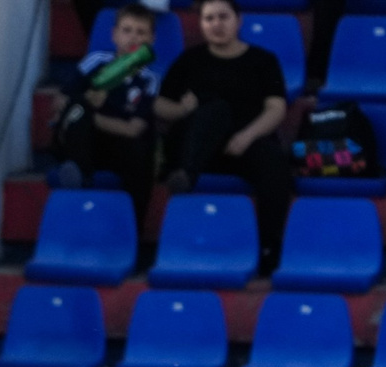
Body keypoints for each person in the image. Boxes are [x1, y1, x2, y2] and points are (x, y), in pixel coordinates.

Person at [157, 0, 294, 273]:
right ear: (201, 24)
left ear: (238, 21)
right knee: (216, 109)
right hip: (198, 146)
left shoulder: (263, 60)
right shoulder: (189, 60)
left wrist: (247, 136)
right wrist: (181, 110)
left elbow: (276, 108)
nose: (216, 24)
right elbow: (160, 104)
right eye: (209, 18)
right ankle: (185, 176)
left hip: (243, 143)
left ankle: (269, 249)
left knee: (275, 164)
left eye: (223, 17)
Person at [55, 4, 164, 232]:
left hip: (119, 147)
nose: (133, 37)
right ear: (114, 35)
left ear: (152, 39)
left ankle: (131, 230)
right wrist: (86, 100)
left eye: (141, 32)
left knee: (141, 149)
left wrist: (91, 117)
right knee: (76, 109)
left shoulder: (149, 79)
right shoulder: (96, 61)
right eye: (127, 30)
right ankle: (78, 176)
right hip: (84, 141)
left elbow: (133, 129)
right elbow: (60, 102)